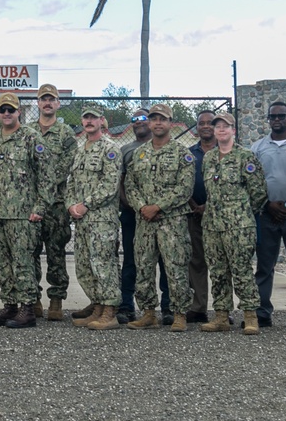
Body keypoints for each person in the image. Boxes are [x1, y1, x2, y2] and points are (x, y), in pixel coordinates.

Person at [123, 103, 195, 332]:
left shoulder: (182, 153)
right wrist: (142, 207)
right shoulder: (139, 153)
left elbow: (185, 188)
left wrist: (158, 206)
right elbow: (129, 184)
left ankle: (179, 313)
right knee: (143, 267)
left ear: (170, 123)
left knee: (175, 268)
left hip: (171, 221)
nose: (157, 123)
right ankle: (148, 313)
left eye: (162, 119)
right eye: (154, 119)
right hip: (145, 220)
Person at [0, 92, 53, 329]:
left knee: (23, 262)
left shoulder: (31, 138)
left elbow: (46, 175)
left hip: (24, 214)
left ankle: (27, 308)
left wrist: (40, 207)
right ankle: (10, 305)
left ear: (19, 112)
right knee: (1, 263)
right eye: (2, 110)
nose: (6, 114)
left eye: (10, 110)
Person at [199, 112, 268, 335]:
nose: (220, 130)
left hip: (238, 226)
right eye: (217, 126)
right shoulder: (209, 158)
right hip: (212, 225)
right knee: (218, 272)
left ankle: (250, 316)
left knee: (242, 271)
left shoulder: (245, 157)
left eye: (225, 126)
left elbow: (258, 193)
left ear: (233, 130)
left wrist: (241, 212)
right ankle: (221, 315)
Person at [250, 101, 286, 328]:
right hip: (266, 214)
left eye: (280, 116)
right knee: (265, 266)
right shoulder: (258, 147)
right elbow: (254, 182)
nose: (276, 120)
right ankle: (262, 312)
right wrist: (267, 204)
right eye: (272, 117)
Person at [113, 109, 171, 324]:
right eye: (134, 120)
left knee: (166, 262)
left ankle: (168, 308)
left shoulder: (169, 149)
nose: (138, 122)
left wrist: (156, 208)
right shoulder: (126, 150)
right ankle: (127, 307)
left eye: (143, 118)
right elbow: (122, 183)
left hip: (163, 217)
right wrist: (138, 208)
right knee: (131, 261)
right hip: (132, 215)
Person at [25, 83, 77, 320]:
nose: (47, 103)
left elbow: (64, 168)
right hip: (30, 204)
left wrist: (43, 185)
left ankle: (56, 300)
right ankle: (33, 298)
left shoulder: (66, 135)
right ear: (37, 103)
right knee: (30, 252)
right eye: (43, 99)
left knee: (56, 252)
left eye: (51, 99)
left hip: (55, 205)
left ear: (58, 103)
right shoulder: (27, 132)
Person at [67, 107, 121, 330]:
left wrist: (86, 204)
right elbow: (71, 181)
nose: (89, 121)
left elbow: (110, 184)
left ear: (102, 121)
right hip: (81, 219)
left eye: (93, 118)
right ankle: (97, 306)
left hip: (101, 218)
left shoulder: (110, 149)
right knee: (84, 265)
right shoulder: (80, 150)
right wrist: (71, 204)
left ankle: (110, 311)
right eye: (86, 118)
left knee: (103, 264)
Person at [186, 110, 216, 324]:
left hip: (220, 217)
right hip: (193, 214)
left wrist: (210, 205)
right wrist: (193, 205)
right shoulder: (188, 154)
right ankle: (198, 308)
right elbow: (181, 182)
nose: (206, 126)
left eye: (210, 122)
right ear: (196, 128)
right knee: (196, 261)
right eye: (201, 123)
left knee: (220, 263)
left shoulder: (228, 151)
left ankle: (223, 309)